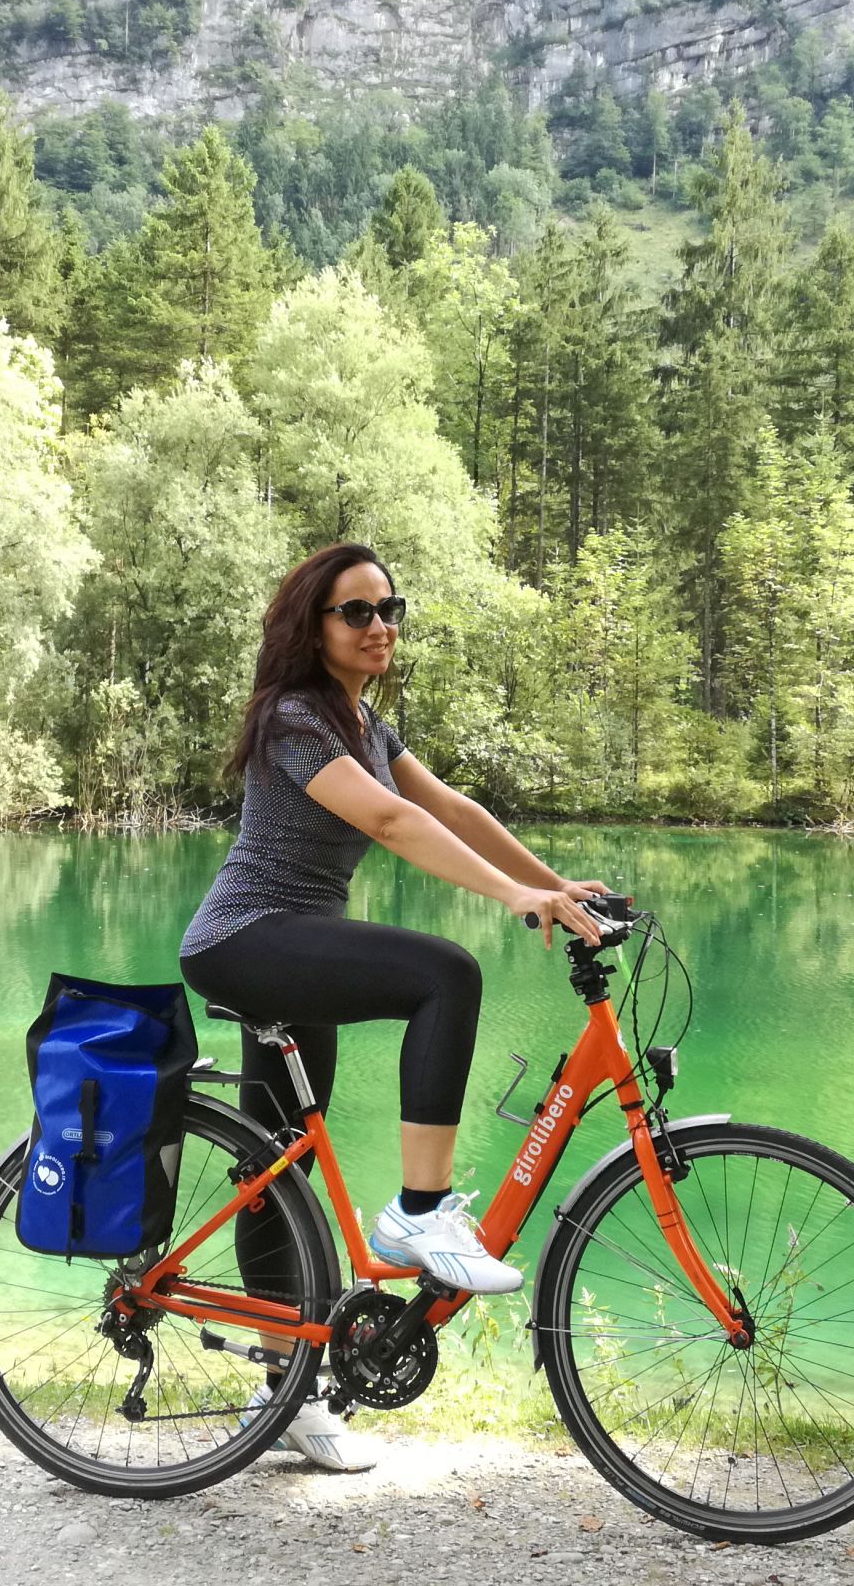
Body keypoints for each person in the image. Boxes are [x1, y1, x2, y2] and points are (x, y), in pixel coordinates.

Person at [179, 541, 610, 1471]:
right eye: (358, 612)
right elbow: (388, 820)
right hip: (247, 937)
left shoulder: (364, 723)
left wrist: (555, 886)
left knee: (280, 1165)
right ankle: (419, 1211)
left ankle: (284, 1388)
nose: (380, 626)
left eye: (390, 609)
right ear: (314, 627)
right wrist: (511, 897)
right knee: (444, 975)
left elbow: (452, 809)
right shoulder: (294, 718)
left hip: (291, 943)